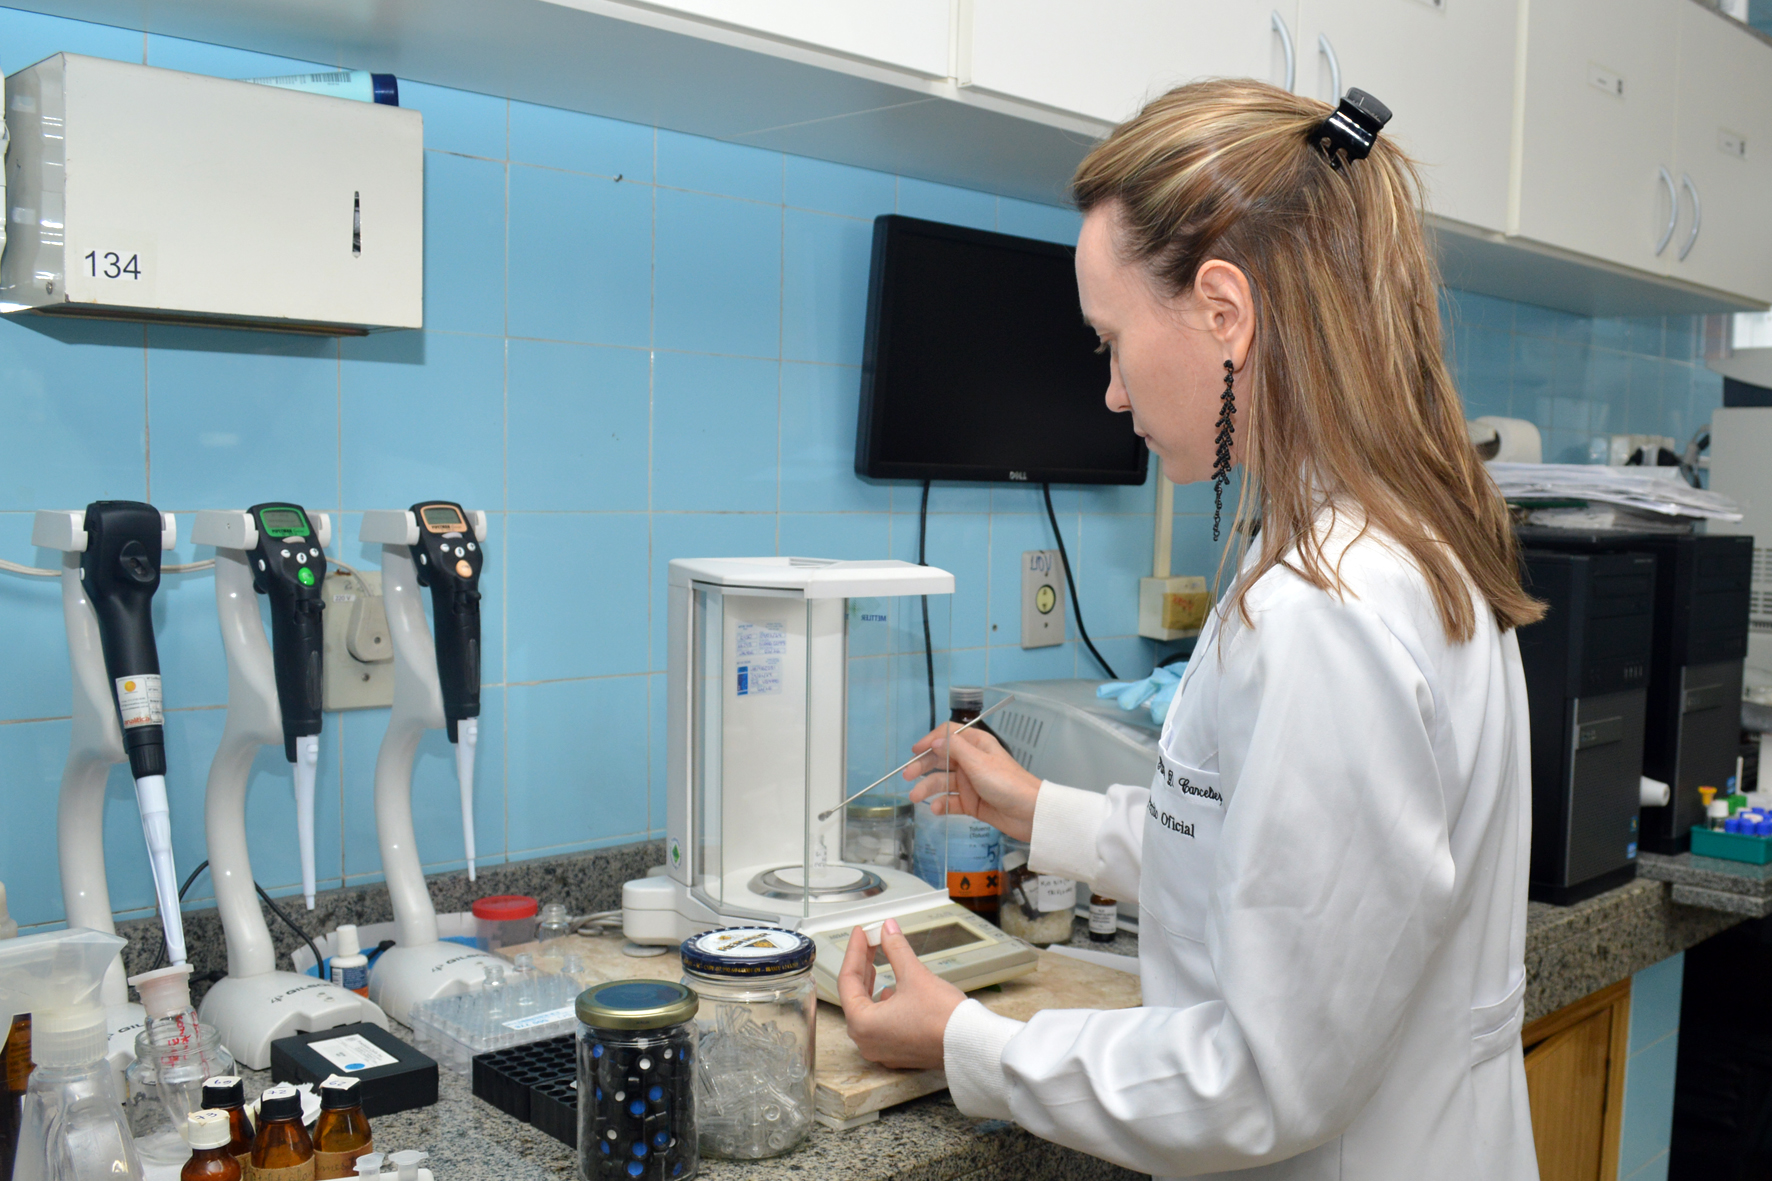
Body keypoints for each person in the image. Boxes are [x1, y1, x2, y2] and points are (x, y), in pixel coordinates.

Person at [836, 78, 1544, 1180]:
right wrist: (1039, 811)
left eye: (1110, 340)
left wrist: (967, 1040)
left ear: (1223, 312)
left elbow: (1261, 1079)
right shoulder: (1400, 542)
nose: (1113, 393)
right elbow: (1264, 864)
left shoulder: (1326, 610)